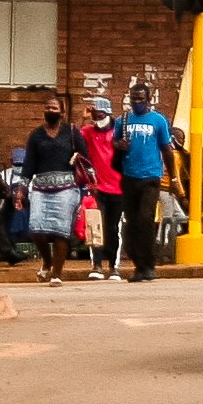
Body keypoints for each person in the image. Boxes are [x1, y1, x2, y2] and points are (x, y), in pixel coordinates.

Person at [109, 80, 183, 283]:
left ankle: (149, 264)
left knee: (145, 218)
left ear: (148, 100)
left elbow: (167, 149)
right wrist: (119, 145)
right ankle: (139, 266)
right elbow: (113, 143)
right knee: (132, 222)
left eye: (141, 99)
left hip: (151, 177)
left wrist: (174, 177)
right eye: (134, 99)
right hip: (129, 176)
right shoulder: (122, 121)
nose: (137, 102)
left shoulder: (158, 120)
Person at [21, 99, 86, 285]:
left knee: (61, 232)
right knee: (36, 229)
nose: (50, 110)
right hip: (40, 188)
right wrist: (21, 188)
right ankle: (47, 261)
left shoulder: (72, 132)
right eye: (47, 107)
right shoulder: (36, 135)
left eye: (54, 108)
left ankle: (57, 273)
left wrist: (90, 185)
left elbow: (85, 158)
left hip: (67, 188)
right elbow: (28, 164)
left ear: (62, 112)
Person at [78, 94, 125, 280]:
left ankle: (114, 266)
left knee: (113, 228)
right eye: (94, 114)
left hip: (118, 188)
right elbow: (74, 136)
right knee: (95, 226)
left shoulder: (118, 131)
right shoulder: (89, 132)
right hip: (97, 188)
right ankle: (96, 265)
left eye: (100, 114)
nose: (97, 118)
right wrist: (83, 117)